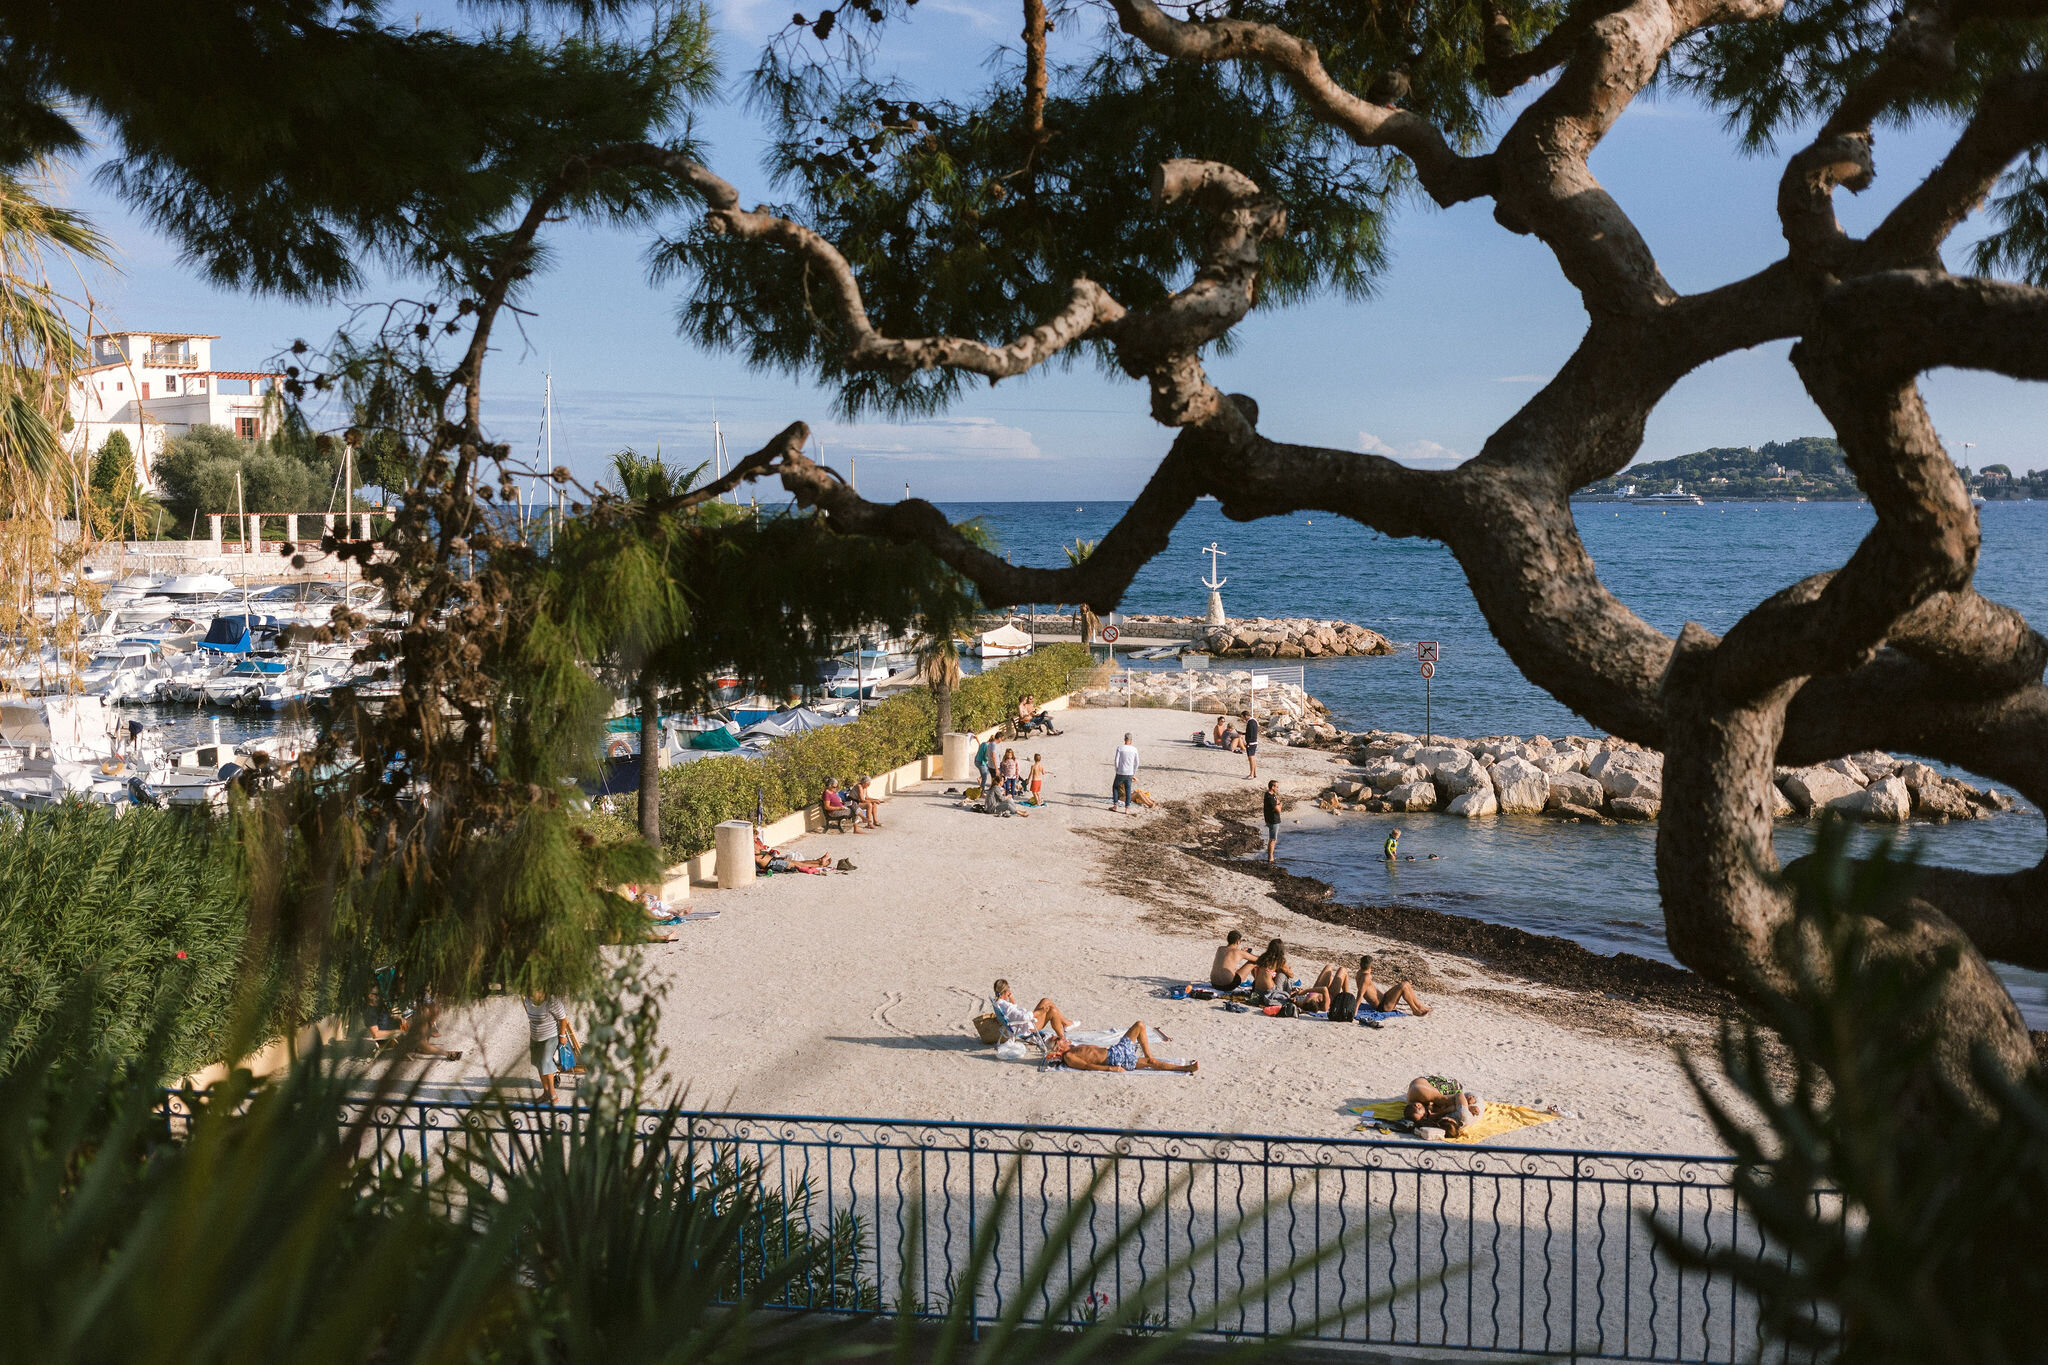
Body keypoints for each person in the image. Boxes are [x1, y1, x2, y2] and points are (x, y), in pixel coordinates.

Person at [1049, 1022, 1197, 1074]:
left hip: (1116, 1050)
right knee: (1151, 1064)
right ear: (1057, 1048)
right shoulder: (1068, 1057)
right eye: (1058, 1039)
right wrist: (1111, 1069)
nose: (1061, 1037)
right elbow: (1088, 1066)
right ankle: (1185, 1069)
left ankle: (1149, 1055)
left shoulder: (1073, 1047)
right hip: (1116, 1059)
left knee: (1139, 1025)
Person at [524, 992, 576, 1104]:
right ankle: (546, 1093)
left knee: (546, 1063)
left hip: (550, 1037)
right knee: (539, 1064)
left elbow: (563, 1018)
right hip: (535, 1037)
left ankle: (553, 1095)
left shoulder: (551, 1000)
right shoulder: (527, 999)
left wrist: (562, 1036)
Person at [991, 979, 1072, 1046]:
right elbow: (1024, 1017)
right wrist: (1040, 1012)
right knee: (1052, 1011)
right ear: (1005, 991)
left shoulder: (998, 1003)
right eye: (1008, 988)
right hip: (1027, 1028)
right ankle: (1063, 1038)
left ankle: (1066, 1023)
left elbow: (1012, 1010)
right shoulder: (1007, 1006)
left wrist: (1011, 998)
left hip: (1021, 1024)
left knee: (1045, 1000)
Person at [1406, 1074, 1485, 1137]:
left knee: (1443, 1102)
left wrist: (1467, 1105)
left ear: (1418, 1105)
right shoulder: (1413, 1110)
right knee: (1441, 1105)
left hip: (1431, 1082)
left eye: (1425, 1115)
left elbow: (1455, 1096)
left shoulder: (1421, 1092)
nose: (1427, 1115)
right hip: (1423, 1086)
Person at [1356, 955, 1432, 1015]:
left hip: (1384, 999)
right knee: (1403, 986)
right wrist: (1355, 1010)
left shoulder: (1359, 973)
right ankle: (1415, 1010)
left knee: (1406, 983)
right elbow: (1360, 994)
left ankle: (1420, 1006)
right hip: (1383, 1006)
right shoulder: (1366, 977)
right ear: (1372, 966)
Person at [1111, 732, 1139, 812]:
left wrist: (1117, 769)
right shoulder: (1134, 749)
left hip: (1121, 771)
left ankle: (1115, 805)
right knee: (1128, 789)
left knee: (1115, 787)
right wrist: (1134, 772)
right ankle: (1127, 808)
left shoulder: (1120, 748)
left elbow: (1116, 761)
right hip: (1130, 772)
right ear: (1131, 740)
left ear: (1124, 739)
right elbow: (1137, 763)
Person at [1262, 779, 1282, 862]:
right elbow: (1278, 810)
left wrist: (1277, 803)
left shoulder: (1270, 794)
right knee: (1273, 840)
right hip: (1273, 820)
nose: (1278, 788)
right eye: (1276, 787)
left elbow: (1276, 802)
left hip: (1271, 819)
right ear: (1272, 787)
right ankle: (1270, 857)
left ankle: (1270, 855)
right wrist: (1280, 804)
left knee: (1272, 839)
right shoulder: (1270, 797)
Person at [1242, 709, 1261, 778]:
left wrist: (1248, 743)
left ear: (1246, 716)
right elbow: (1251, 732)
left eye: (1243, 717)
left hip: (1251, 743)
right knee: (1253, 758)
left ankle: (1251, 774)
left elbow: (1251, 733)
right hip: (1254, 742)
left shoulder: (1250, 722)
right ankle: (1254, 773)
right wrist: (1243, 733)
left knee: (1251, 759)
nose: (1243, 719)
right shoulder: (1254, 721)